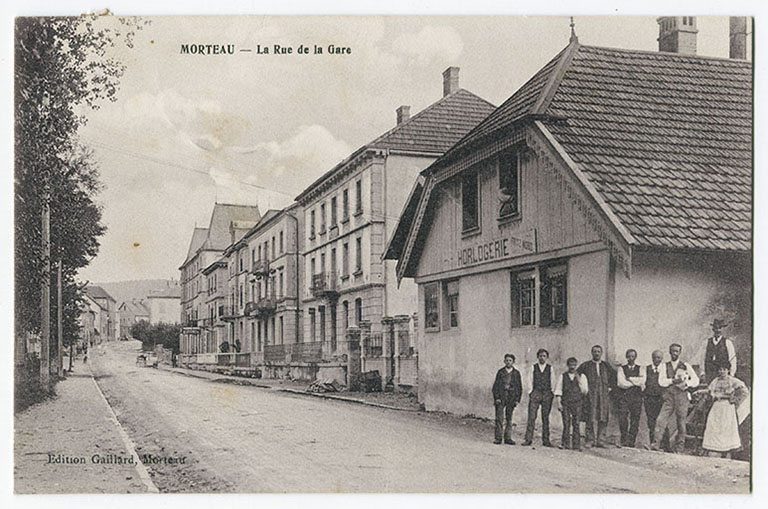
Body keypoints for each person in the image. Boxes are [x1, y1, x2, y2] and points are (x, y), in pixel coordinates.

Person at [651, 343, 699, 453]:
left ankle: (679, 448)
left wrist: (686, 383)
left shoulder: (686, 365)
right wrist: (673, 381)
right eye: (672, 351)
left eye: (677, 351)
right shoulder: (664, 366)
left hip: (682, 396)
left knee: (681, 423)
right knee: (660, 419)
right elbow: (661, 382)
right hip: (669, 396)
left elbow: (696, 381)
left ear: (680, 352)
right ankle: (655, 444)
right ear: (669, 352)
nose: (674, 353)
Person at [702, 361, 749, 458]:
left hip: (727, 407)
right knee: (714, 426)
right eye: (720, 369)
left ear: (728, 370)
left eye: (724, 369)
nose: (722, 371)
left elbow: (744, 391)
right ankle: (715, 447)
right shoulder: (715, 380)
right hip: (716, 406)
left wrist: (736, 400)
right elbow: (709, 390)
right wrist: (700, 392)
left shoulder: (732, 381)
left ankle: (727, 449)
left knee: (726, 427)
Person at [578, 345, 616, 448]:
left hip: (603, 395)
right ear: (592, 353)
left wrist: (610, 388)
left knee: (603, 417)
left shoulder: (606, 365)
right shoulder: (586, 365)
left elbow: (614, 376)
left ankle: (601, 440)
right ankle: (590, 440)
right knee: (590, 416)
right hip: (591, 395)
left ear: (601, 353)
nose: (596, 353)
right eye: (594, 351)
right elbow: (577, 375)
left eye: (598, 351)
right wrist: (583, 388)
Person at [522, 348, 557, 447]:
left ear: (547, 358)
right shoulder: (533, 367)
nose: (542, 358)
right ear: (538, 357)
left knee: (545, 418)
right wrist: (531, 391)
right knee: (532, 416)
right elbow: (529, 380)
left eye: (544, 356)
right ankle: (528, 439)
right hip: (536, 393)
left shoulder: (550, 368)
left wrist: (551, 392)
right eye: (540, 356)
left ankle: (546, 440)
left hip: (546, 394)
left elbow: (553, 381)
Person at [555, 357, 589, 450]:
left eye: (574, 365)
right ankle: (565, 443)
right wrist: (559, 404)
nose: (572, 367)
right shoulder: (563, 376)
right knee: (566, 423)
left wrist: (579, 381)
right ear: (567, 365)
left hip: (577, 403)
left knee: (576, 423)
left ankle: (576, 445)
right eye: (570, 365)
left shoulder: (581, 376)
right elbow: (558, 390)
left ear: (576, 365)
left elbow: (585, 391)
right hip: (566, 403)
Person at [616, 348, 646, 447]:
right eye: (629, 356)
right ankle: (624, 438)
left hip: (637, 397)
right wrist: (635, 382)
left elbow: (642, 381)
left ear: (635, 357)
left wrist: (629, 379)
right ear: (626, 357)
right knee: (623, 417)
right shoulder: (621, 368)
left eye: (633, 356)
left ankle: (631, 441)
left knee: (635, 419)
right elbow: (621, 383)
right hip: (624, 396)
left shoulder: (640, 368)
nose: (631, 358)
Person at [492, 353, 523, 445]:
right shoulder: (500, 372)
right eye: (507, 360)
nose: (508, 362)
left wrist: (517, 399)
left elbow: (519, 387)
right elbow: (495, 386)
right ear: (504, 361)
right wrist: (496, 397)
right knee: (499, 418)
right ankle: (498, 438)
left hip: (511, 398)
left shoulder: (516, 373)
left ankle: (508, 437)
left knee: (509, 418)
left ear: (513, 362)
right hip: (501, 397)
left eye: (510, 360)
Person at [700, 319, 737, 384]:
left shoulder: (727, 342)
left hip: (723, 374)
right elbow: (702, 359)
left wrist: (731, 374)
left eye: (720, 328)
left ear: (722, 329)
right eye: (716, 328)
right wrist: (702, 373)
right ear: (713, 329)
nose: (718, 330)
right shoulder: (706, 342)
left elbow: (733, 360)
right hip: (710, 374)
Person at [644, 350, 666, 445]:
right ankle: (652, 443)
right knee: (651, 422)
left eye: (659, 358)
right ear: (652, 358)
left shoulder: (664, 369)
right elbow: (643, 382)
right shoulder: (647, 369)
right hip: (649, 399)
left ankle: (665, 445)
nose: (657, 360)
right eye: (655, 357)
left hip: (661, 398)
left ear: (662, 359)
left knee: (662, 421)